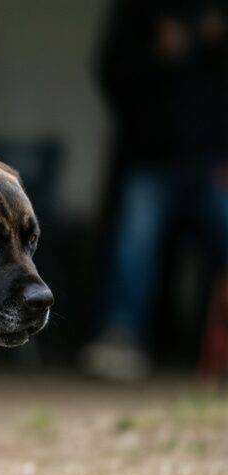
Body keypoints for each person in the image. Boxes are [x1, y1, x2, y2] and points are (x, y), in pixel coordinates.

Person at [84, 0, 228, 382]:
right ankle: (121, 338)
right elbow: (110, 74)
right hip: (149, 155)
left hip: (214, 155)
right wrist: (155, 52)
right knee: (135, 246)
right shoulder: (137, 12)